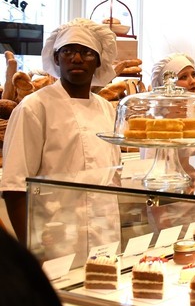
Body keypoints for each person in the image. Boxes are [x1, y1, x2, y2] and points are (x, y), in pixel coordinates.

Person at [1, 18, 120, 241]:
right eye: (68, 51)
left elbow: (113, 179)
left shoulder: (107, 109)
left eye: (86, 52)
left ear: (98, 61)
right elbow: (14, 188)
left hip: (105, 237)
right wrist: (32, 254)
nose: (76, 58)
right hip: (52, 239)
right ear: (56, 57)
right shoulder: (34, 107)